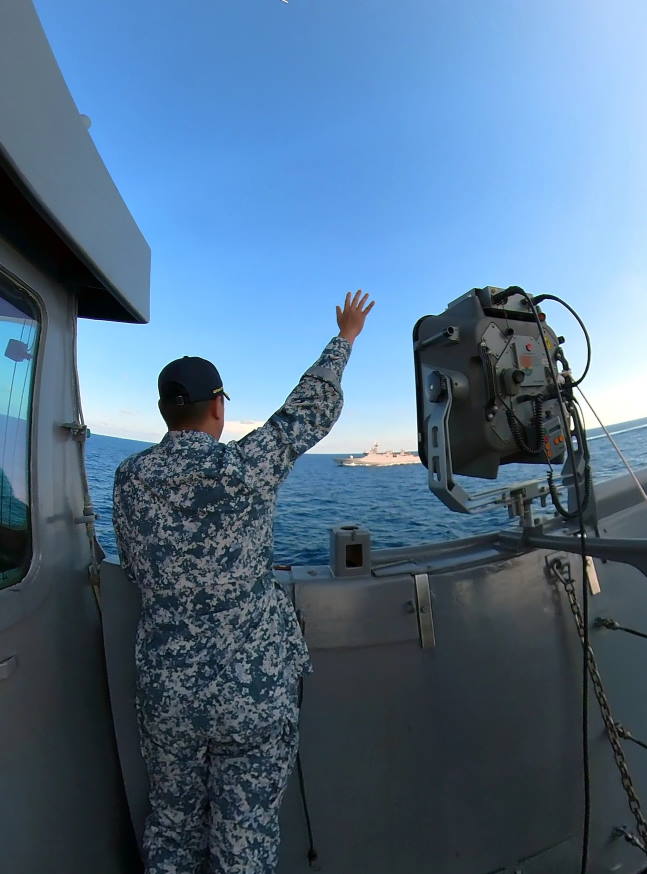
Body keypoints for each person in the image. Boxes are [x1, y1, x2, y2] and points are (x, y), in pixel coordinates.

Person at [113, 290, 375, 874]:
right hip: (249, 690)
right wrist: (346, 337)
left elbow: (133, 568)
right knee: (245, 839)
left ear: (165, 412)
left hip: (168, 690)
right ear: (217, 407)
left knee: (172, 830)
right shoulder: (244, 466)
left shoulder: (129, 479)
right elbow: (309, 409)